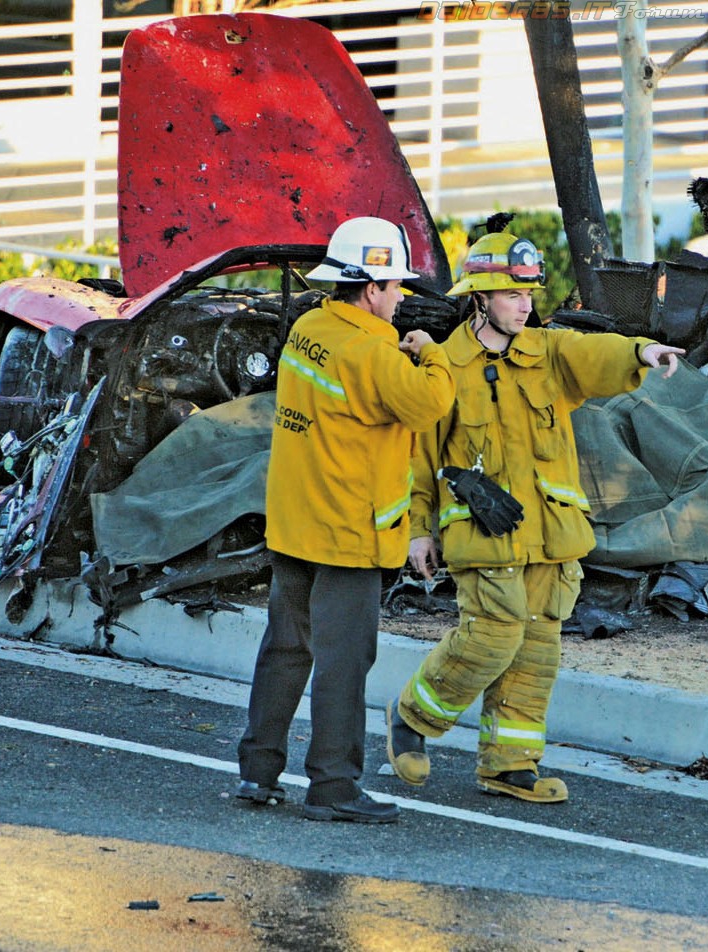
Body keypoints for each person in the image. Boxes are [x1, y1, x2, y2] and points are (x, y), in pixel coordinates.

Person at [386, 228, 684, 803]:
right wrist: (419, 531)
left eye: (529, 295)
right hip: (483, 535)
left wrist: (641, 351)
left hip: (550, 536)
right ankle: (413, 720)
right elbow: (419, 459)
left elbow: (594, 354)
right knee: (492, 637)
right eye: (512, 295)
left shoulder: (547, 352)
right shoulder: (445, 366)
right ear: (481, 298)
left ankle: (510, 765)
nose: (525, 306)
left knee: (537, 651)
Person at [237, 216, 455, 823]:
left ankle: (258, 771)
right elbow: (432, 405)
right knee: (344, 663)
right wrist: (430, 354)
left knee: (285, 649)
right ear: (369, 288)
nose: (402, 297)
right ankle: (333, 786)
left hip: (296, 522)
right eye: (395, 287)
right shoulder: (376, 351)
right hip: (350, 534)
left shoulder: (310, 327)